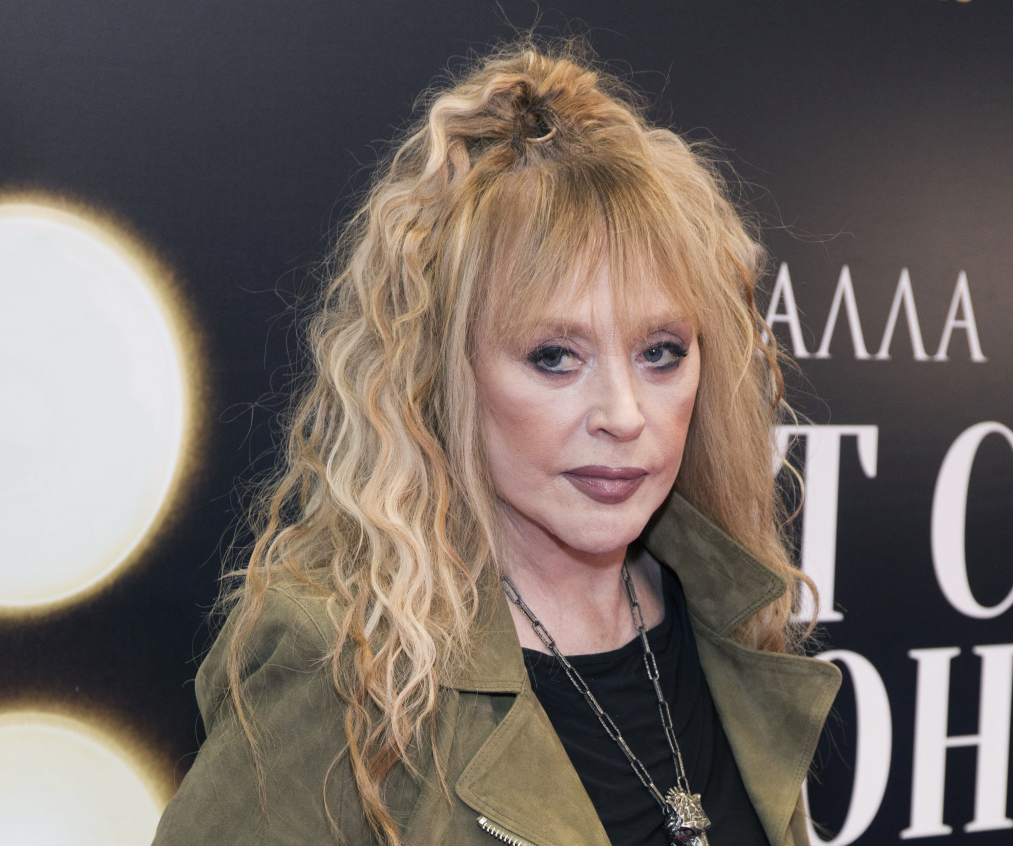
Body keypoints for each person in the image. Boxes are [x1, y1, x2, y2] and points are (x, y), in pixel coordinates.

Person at [153, 40, 840, 846]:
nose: (624, 415)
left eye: (660, 352)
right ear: (448, 373)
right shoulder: (349, 670)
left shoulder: (727, 608)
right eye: (555, 356)